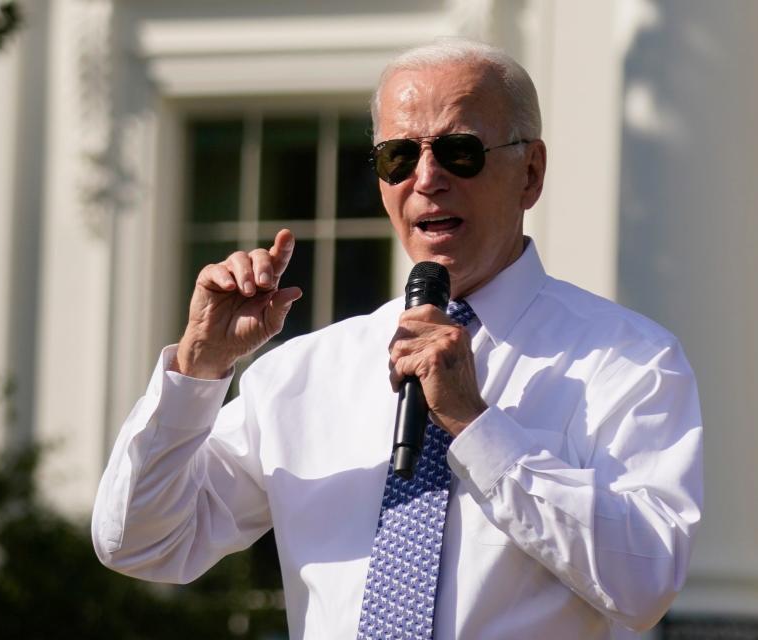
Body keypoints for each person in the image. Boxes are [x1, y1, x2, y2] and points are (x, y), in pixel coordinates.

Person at [92, 38, 702, 639]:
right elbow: (141, 544)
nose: (427, 178)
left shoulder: (630, 360)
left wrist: (477, 427)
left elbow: (645, 583)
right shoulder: (304, 373)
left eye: (460, 151)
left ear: (531, 172)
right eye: (398, 157)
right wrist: (198, 371)